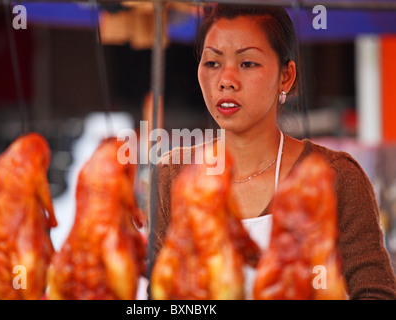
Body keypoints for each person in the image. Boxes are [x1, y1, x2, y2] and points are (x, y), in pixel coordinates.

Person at [153, 4, 396, 299]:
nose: (226, 80)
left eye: (247, 63)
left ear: (286, 76)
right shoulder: (175, 174)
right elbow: (157, 294)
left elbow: (377, 293)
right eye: (213, 63)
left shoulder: (335, 176)